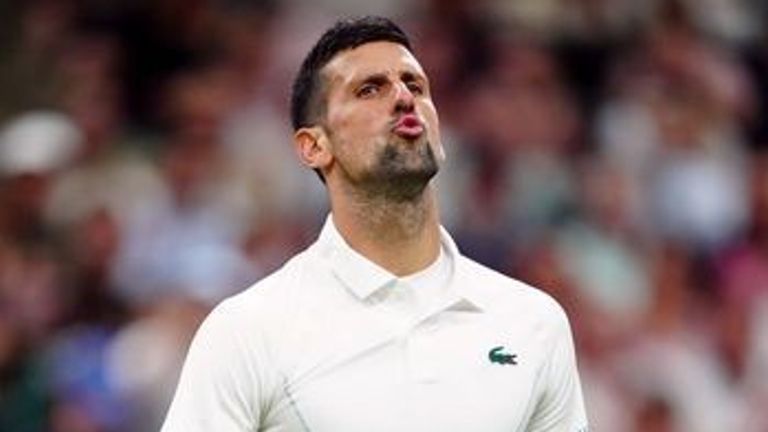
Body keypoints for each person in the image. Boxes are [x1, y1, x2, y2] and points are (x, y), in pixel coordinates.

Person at [161, 16, 588, 432]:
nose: (404, 98)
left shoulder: (534, 323)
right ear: (314, 146)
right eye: (369, 89)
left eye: (415, 84)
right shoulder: (249, 331)